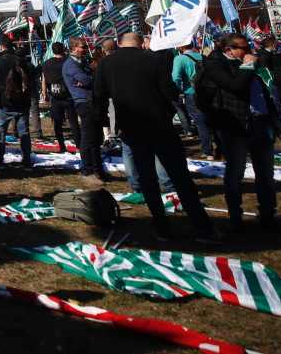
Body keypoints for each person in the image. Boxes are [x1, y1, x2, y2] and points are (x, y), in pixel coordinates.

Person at [93, 33, 218, 243]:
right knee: (180, 176)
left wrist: (103, 123)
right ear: (141, 43)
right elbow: (169, 91)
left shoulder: (107, 64)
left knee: (148, 178)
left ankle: (161, 226)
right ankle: (202, 226)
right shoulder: (154, 59)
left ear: (120, 43)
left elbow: (99, 96)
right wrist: (169, 110)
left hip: (132, 126)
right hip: (160, 124)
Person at [196, 34, 281, 233]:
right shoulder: (215, 66)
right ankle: (235, 216)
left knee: (266, 173)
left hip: (259, 122)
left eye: (249, 46)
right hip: (235, 127)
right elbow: (236, 86)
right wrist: (247, 66)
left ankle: (268, 214)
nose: (249, 51)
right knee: (235, 173)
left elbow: (275, 82)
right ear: (229, 50)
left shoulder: (252, 63)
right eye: (244, 48)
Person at [62, 39, 104, 182]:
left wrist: (89, 77)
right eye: (83, 47)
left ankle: (97, 168)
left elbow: (91, 77)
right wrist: (89, 78)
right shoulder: (70, 65)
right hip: (83, 103)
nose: (85, 49)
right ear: (73, 48)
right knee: (88, 137)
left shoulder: (82, 62)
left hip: (91, 101)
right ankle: (87, 169)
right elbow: (86, 80)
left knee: (96, 138)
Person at [0, 40, 33, 168]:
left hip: (3, 102)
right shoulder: (21, 61)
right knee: (24, 132)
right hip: (22, 100)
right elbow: (30, 79)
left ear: (1, 47)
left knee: (0, 132)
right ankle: (27, 159)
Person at [172, 43, 212, 158]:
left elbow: (176, 78)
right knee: (209, 119)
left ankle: (207, 150)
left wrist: (177, 91)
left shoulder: (179, 59)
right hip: (208, 91)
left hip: (191, 92)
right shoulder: (202, 56)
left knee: (200, 121)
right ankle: (218, 148)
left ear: (180, 47)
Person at [42, 44, 76, 154]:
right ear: (64, 50)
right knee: (73, 121)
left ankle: (61, 145)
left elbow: (44, 78)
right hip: (68, 94)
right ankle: (79, 144)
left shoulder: (47, 63)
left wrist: (44, 92)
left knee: (57, 123)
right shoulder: (69, 61)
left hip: (55, 94)